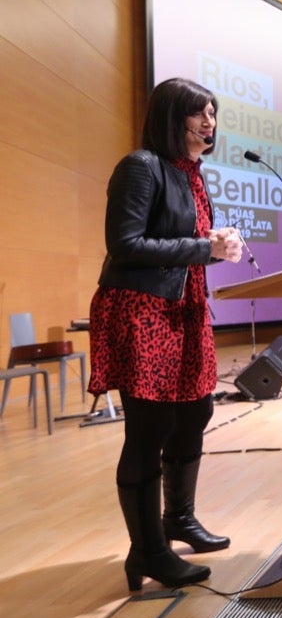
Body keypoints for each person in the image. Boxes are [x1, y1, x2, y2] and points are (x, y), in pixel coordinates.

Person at [89, 78, 243, 591]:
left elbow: (186, 240)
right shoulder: (141, 166)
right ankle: (148, 551)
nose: (210, 124)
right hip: (144, 312)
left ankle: (178, 519)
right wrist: (205, 247)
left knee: (195, 411)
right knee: (149, 429)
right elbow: (126, 243)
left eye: (213, 115)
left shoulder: (192, 174)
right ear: (169, 118)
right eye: (198, 114)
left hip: (185, 311)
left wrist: (217, 241)